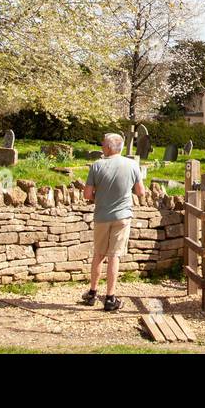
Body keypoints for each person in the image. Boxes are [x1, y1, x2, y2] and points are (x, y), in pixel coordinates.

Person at [81, 132, 145, 311]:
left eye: (103, 144)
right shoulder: (132, 165)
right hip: (122, 216)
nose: (102, 146)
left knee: (99, 255)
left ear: (109, 147)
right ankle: (110, 298)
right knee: (114, 256)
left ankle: (92, 293)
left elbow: (87, 194)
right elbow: (141, 192)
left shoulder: (97, 166)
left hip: (102, 216)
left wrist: (99, 197)